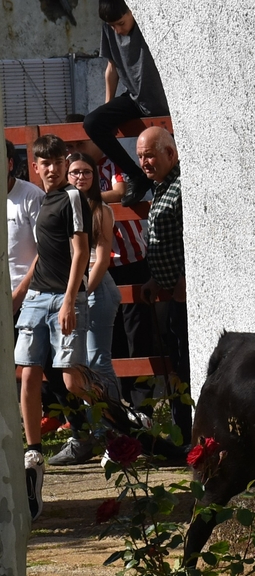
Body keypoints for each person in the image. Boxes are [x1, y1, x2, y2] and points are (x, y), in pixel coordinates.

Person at [15, 135, 94, 521]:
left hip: (64, 298)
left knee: (71, 382)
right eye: (44, 163)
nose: (51, 168)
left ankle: (119, 415)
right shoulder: (40, 200)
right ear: (35, 166)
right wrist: (22, 293)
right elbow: (43, 252)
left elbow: (81, 250)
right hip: (35, 296)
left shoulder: (72, 198)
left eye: (57, 161)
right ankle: (33, 452)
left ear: (65, 163)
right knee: (28, 374)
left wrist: (69, 299)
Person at [64, 115, 156, 412]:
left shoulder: (111, 161)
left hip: (130, 259)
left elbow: (120, 191)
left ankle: (143, 408)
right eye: (70, 145)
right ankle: (116, 406)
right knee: (109, 341)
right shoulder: (74, 171)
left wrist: (84, 197)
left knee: (138, 335)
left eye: (79, 142)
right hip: (96, 268)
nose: (74, 149)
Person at [45, 153, 121, 466]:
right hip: (69, 293)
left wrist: (83, 293)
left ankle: (116, 436)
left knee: (99, 360)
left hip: (96, 290)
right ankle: (90, 435)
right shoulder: (60, 207)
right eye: (75, 171)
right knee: (76, 366)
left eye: (87, 172)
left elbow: (101, 255)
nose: (81, 177)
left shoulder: (100, 210)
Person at [85, 0, 170, 207]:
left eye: (121, 23)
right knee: (93, 122)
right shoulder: (110, 27)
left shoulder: (147, 23)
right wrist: (108, 107)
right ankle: (135, 175)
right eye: (113, 26)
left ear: (133, 12)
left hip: (163, 103)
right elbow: (111, 69)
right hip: (135, 99)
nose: (118, 30)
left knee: (166, 166)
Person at [137, 126, 190, 440]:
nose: (144, 162)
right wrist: (156, 279)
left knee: (185, 364)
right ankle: (180, 430)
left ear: (170, 154)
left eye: (150, 155)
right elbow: (164, 240)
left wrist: (183, 282)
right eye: (141, 156)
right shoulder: (161, 186)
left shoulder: (181, 186)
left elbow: (188, 239)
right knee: (176, 363)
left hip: (184, 296)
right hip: (169, 291)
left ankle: (188, 431)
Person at [7, 140, 43, 314]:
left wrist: (20, 294)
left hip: (28, 299)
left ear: (10, 163)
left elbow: (46, 250)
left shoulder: (32, 196)